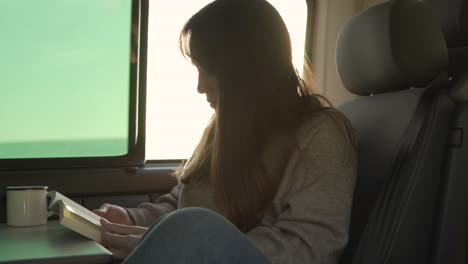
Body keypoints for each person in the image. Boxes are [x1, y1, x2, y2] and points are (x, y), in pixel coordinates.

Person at [93, 0, 357, 263]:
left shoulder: (322, 135)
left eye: (208, 71)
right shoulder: (223, 129)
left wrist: (190, 246)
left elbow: (310, 247)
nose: (199, 86)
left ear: (243, 70)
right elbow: (186, 203)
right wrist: (132, 219)